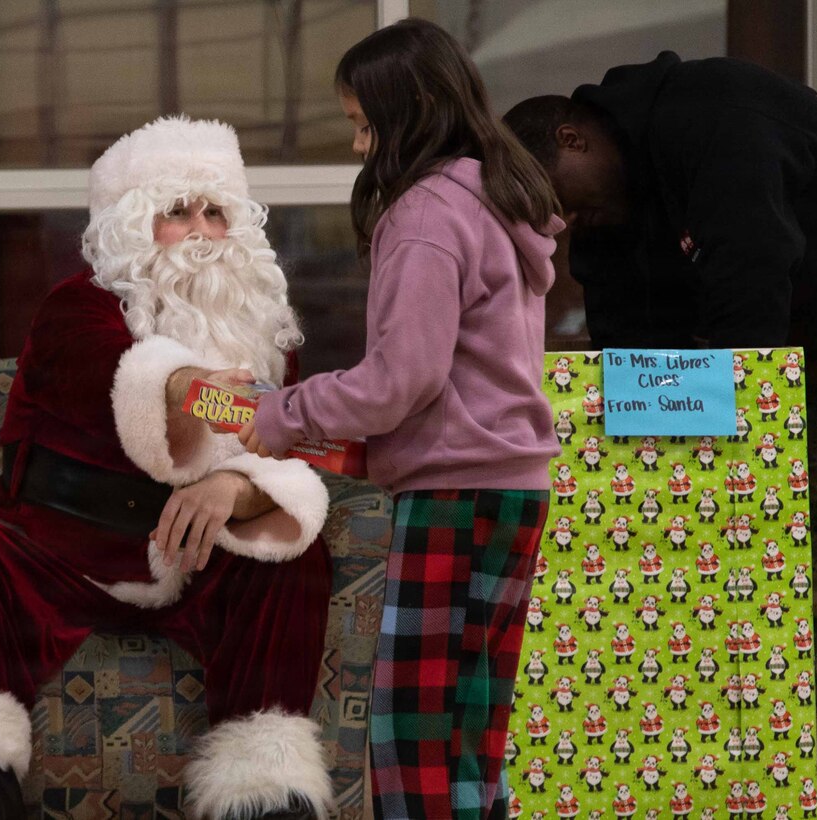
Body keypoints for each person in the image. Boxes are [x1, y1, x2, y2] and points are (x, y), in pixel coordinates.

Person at [0, 116, 334, 820]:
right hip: (61, 551)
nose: (201, 230)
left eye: (214, 211)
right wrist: (184, 386)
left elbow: (288, 451)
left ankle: (263, 792)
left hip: (190, 558)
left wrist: (237, 487)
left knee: (292, 558)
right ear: (134, 227)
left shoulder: (259, 329)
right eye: (176, 213)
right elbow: (107, 371)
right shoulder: (75, 307)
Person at [503, 51, 817, 819]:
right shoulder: (609, 202)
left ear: (573, 138)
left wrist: (723, 449)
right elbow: (625, 347)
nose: (563, 224)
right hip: (780, 354)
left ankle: (812, 787)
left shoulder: (715, 112)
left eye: (559, 203)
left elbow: (751, 277)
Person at [238, 18, 564, 820]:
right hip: (516, 486)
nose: (357, 146)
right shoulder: (497, 197)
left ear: (407, 110)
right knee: (474, 719)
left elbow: (398, 382)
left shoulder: (425, 214)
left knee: (413, 727)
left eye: (361, 123)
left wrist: (281, 414)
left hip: (451, 490)